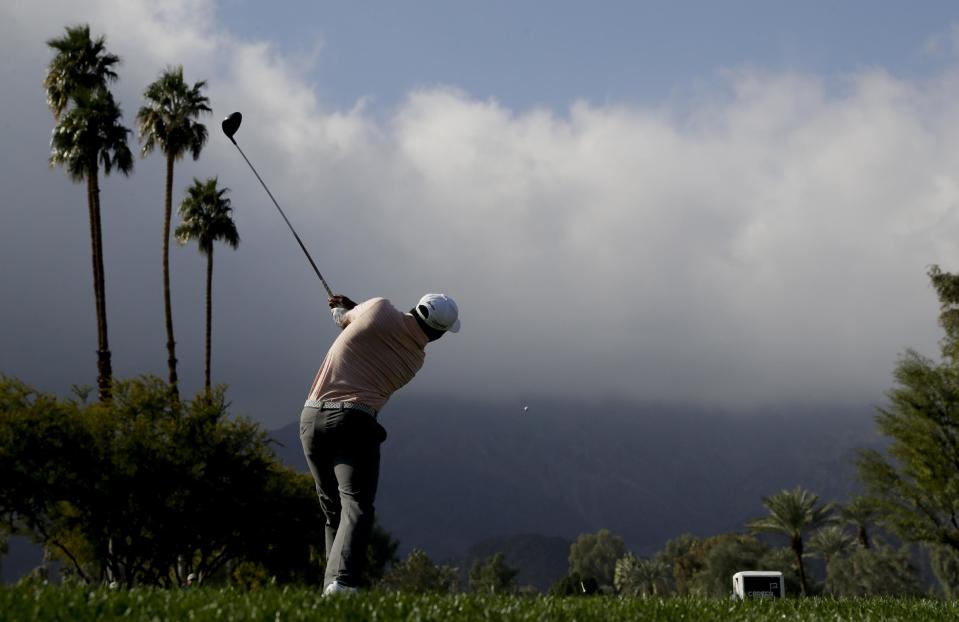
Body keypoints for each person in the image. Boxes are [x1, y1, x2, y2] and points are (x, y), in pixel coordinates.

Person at [299, 293, 461, 595]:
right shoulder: (414, 361)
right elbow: (372, 332)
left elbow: (346, 321)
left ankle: (330, 588)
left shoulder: (379, 308)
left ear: (417, 306)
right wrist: (347, 313)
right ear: (438, 334)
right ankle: (342, 584)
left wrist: (344, 309)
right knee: (355, 505)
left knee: (333, 510)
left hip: (311, 419)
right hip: (354, 423)